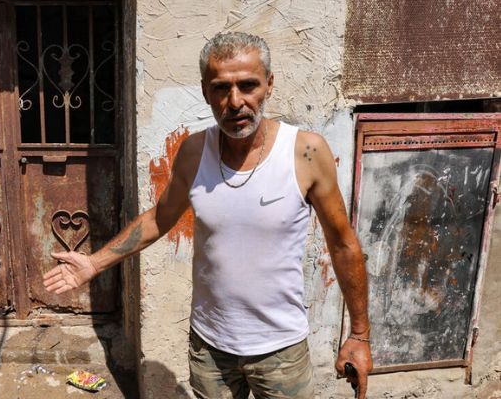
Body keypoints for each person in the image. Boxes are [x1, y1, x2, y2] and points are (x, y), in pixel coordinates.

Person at [43, 31, 372, 398]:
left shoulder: (306, 152)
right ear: (205, 91)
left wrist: (359, 335)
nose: (235, 102)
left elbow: (343, 245)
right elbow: (159, 218)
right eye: (221, 88)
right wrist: (94, 264)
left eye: (248, 85)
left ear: (269, 84)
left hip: (281, 351)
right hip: (210, 349)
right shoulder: (194, 151)